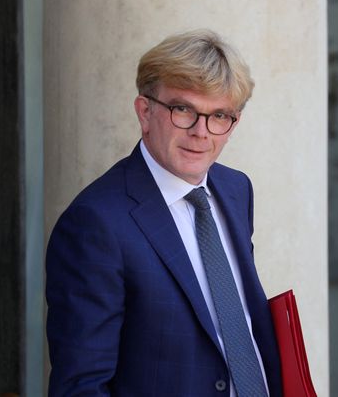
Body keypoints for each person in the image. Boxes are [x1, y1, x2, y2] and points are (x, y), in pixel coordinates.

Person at [45, 29, 283, 396]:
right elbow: (81, 386)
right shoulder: (95, 224)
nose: (202, 133)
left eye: (220, 115)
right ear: (145, 111)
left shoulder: (236, 191)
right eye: (183, 110)